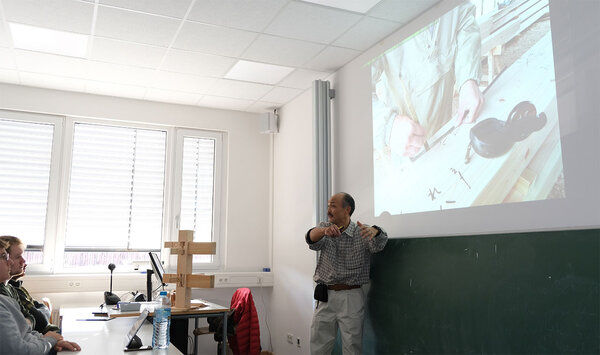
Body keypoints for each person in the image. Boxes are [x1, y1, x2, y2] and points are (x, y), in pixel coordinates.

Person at [373, 0, 484, 159]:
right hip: (406, 144)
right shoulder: (376, 12)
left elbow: (465, 21)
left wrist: (468, 79)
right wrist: (388, 127)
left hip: (446, 129)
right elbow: (351, 87)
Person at [305, 192, 388, 355]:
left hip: (351, 296)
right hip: (325, 295)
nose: (329, 209)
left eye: (333, 206)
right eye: (328, 205)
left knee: (352, 346)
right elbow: (310, 237)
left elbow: (380, 243)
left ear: (347, 209)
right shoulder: (324, 228)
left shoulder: (362, 232)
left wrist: (376, 231)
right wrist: (324, 231)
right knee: (318, 344)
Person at [0, 239, 81, 354]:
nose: (10, 262)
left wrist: (51, 341)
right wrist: (50, 340)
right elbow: (20, 350)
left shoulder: (7, 299)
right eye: (4, 257)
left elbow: (26, 331)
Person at [0, 235, 60, 335]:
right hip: (43, 335)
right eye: (18, 257)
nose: (24, 261)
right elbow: (36, 321)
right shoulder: (6, 292)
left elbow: (29, 321)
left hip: (42, 337)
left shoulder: (11, 288)